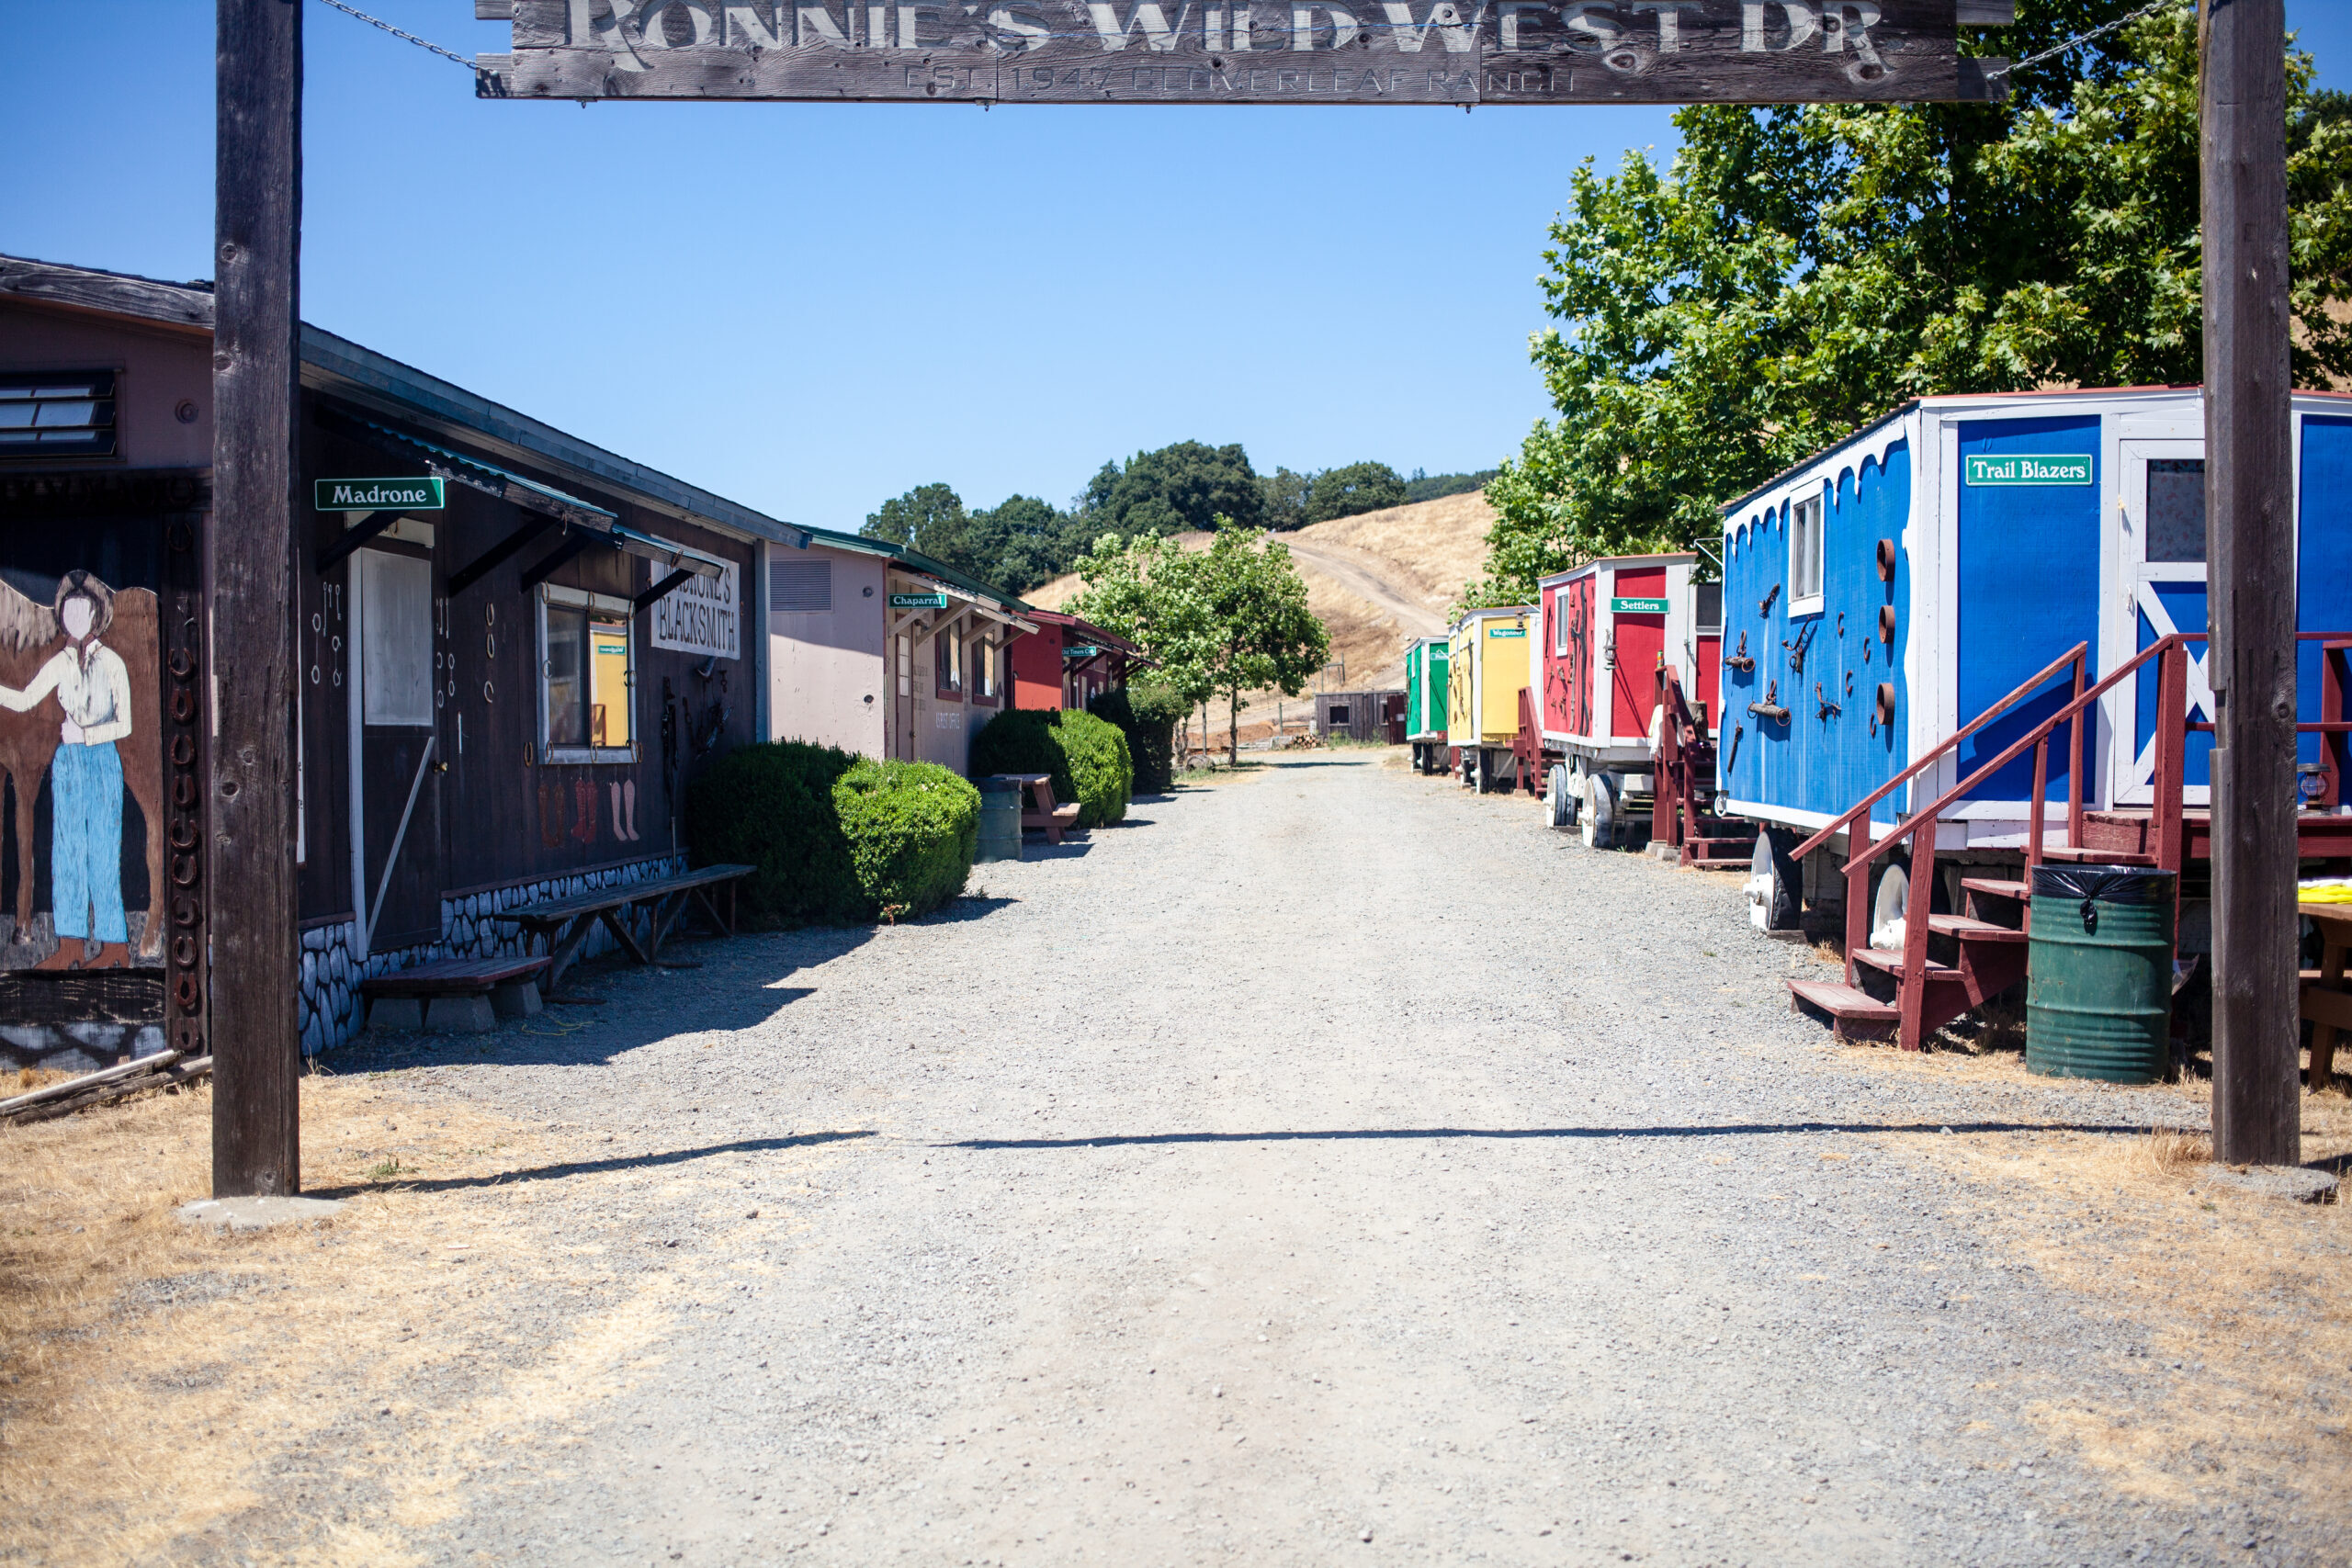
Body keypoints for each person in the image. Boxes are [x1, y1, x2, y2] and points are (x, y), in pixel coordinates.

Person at [0, 573, 133, 967]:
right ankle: (71, 944)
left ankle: (113, 946)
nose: (76, 617)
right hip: (68, 765)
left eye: (84, 609)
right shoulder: (60, 662)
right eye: (69, 610)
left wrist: (87, 734)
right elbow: (25, 700)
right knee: (67, 853)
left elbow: (124, 725)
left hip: (102, 760)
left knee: (104, 854)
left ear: (97, 614)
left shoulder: (112, 663)